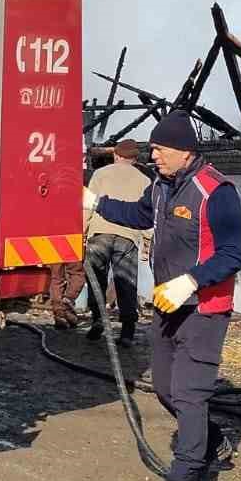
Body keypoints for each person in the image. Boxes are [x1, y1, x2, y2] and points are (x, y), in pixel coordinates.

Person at [87, 113, 241, 481]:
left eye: (159, 148)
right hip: (167, 305)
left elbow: (234, 252)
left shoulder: (215, 191)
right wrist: (97, 204)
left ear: (185, 151)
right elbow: (141, 216)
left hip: (203, 308)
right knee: (163, 387)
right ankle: (211, 440)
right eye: (152, 148)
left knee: (191, 394)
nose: (152, 154)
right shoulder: (160, 185)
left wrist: (191, 281)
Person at [83, 140, 150, 344]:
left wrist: (83, 231)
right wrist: (147, 240)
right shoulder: (144, 180)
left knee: (96, 278)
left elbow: (88, 205)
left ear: (116, 155)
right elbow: (147, 214)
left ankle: (98, 319)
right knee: (126, 282)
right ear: (135, 158)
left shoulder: (100, 174)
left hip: (99, 233)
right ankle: (128, 332)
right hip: (127, 236)